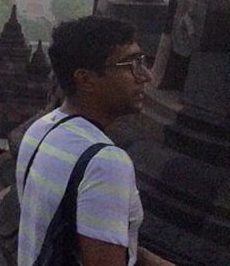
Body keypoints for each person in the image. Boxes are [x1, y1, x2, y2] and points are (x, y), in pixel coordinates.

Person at [15, 16, 174, 266]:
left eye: (142, 61)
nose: (146, 76)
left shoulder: (41, 129)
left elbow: (91, 238)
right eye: (131, 64)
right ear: (86, 79)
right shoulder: (106, 163)